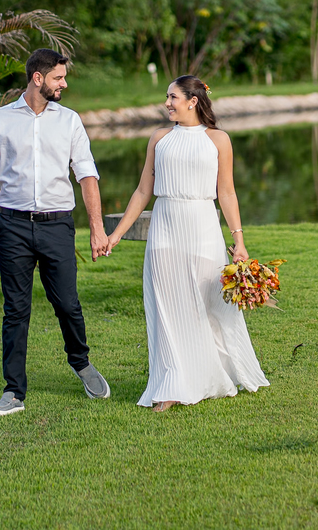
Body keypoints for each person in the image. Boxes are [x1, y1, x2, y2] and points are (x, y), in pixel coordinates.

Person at [104, 75, 269, 412]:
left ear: (193, 101)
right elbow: (143, 191)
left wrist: (239, 242)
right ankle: (171, 384)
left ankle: (212, 373)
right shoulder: (159, 138)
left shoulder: (218, 139)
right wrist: (117, 234)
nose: (167, 103)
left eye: (173, 97)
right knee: (167, 307)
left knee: (209, 305)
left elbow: (227, 192)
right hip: (164, 227)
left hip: (202, 227)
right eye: (167, 97)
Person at [0, 48, 111, 417]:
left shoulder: (70, 121)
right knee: (16, 310)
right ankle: (13, 391)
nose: (64, 84)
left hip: (57, 225)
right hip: (13, 226)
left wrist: (96, 228)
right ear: (37, 78)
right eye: (58, 78)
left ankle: (80, 362)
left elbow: (87, 175)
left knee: (67, 304)